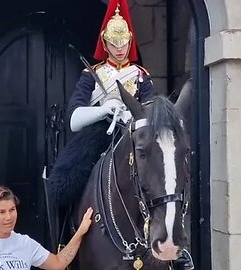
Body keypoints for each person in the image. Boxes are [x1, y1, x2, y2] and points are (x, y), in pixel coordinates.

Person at [47, 0, 194, 269]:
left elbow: (153, 108)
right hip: (99, 134)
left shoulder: (140, 75)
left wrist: (135, 115)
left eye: (123, 42)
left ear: (130, 42)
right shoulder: (91, 75)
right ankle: (63, 241)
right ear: (105, 42)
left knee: (164, 174)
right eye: (113, 43)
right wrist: (104, 109)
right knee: (62, 181)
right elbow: (73, 118)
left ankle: (174, 242)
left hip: (134, 134)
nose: (118, 48)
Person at [0, 184, 93, 270]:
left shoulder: (25, 243)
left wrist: (80, 231)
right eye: (2, 212)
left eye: (12, 210)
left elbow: (58, 264)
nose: (9, 217)